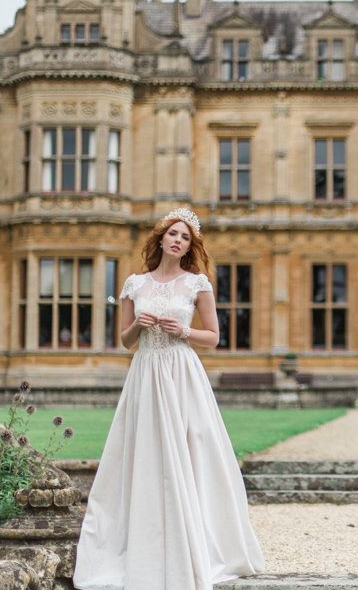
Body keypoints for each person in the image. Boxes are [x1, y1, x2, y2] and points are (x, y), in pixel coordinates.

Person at [74, 208, 265, 590]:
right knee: (144, 453)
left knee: (194, 449)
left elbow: (213, 337)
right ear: (160, 238)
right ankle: (144, 542)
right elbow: (126, 343)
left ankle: (197, 539)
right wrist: (135, 326)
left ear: (189, 246)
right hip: (145, 372)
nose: (178, 241)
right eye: (173, 234)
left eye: (186, 238)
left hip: (182, 372)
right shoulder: (133, 284)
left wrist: (185, 330)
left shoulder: (198, 284)